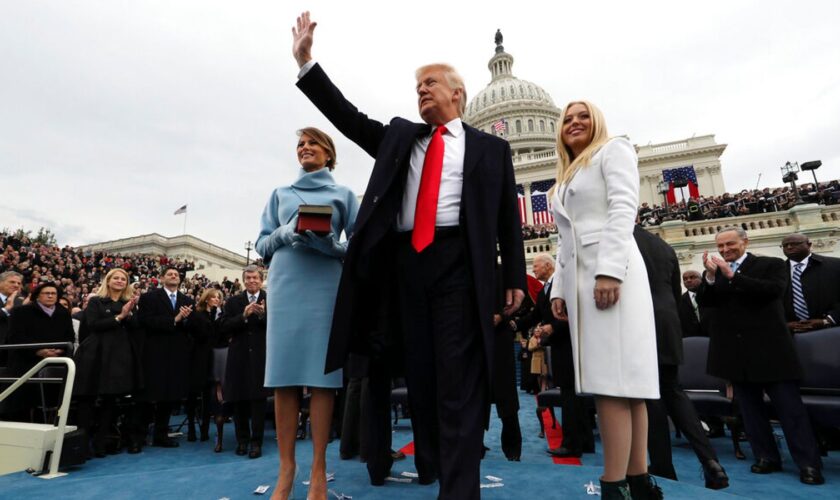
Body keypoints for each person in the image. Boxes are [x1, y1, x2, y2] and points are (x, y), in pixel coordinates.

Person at [291, 13, 526, 500]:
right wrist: (306, 63)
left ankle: (459, 492)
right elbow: (349, 119)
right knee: (420, 379)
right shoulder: (402, 137)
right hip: (402, 270)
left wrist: (516, 278)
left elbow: (508, 219)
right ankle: (426, 461)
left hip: (459, 265)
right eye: (417, 85)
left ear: (457, 94)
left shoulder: (491, 150)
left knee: (458, 383)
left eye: (431, 83)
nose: (421, 90)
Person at [548, 101, 659, 499]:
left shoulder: (614, 150)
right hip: (581, 280)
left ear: (597, 122)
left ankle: (614, 484)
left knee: (615, 381)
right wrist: (558, 289)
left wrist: (610, 270)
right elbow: (564, 242)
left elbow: (623, 208)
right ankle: (639, 480)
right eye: (567, 119)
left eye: (583, 116)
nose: (574, 123)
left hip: (611, 273)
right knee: (622, 381)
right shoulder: (563, 178)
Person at [255, 125, 358, 500]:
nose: (305, 148)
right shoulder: (279, 194)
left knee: (322, 379)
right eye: (300, 144)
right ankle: (286, 468)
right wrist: (285, 234)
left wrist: (329, 244)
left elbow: (358, 248)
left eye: (313, 143)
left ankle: (318, 467)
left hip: (325, 288)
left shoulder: (345, 194)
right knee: (283, 377)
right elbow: (263, 244)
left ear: (328, 153)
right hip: (285, 285)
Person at [697, 227, 824, 485]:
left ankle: (808, 464)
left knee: (791, 411)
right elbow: (707, 303)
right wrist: (710, 278)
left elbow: (772, 291)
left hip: (771, 352)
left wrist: (732, 276)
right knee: (751, 412)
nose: (725, 250)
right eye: (720, 246)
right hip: (736, 354)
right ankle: (766, 456)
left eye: (730, 244)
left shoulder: (771, 264)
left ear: (745, 241)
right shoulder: (714, 272)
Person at [633, 226, 729, 489]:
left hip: (637, 322)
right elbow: (675, 294)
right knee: (674, 392)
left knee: (649, 397)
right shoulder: (663, 246)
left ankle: (663, 467)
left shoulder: (616, 237)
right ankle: (711, 461)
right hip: (667, 324)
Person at [512, 253, 592, 458]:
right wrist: (513, 325)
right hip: (558, 346)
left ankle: (572, 444)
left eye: (536, 266)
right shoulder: (544, 291)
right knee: (571, 394)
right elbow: (535, 316)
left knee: (571, 395)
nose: (534, 269)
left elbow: (573, 313)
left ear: (548, 266)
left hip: (569, 345)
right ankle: (584, 441)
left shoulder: (562, 285)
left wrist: (551, 328)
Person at [74, 268, 142, 456]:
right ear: (108, 280)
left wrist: (129, 314)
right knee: (87, 398)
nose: (120, 281)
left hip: (119, 356)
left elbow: (135, 326)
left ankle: (101, 442)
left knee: (110, 399)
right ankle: (82, 444)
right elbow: (93, 325)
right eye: (116, 278)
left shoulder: (129, 303)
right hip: (95, 354)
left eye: (124, 279)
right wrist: (119, 317)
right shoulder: (96, 301)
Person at [137, 266, 195, 449]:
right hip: (154, 353)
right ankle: (138, 437)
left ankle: (161, 435)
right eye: (169, 274)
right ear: (161, 278)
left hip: (177, 354)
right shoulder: (149, 298)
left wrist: (185, 320)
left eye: (176, 275)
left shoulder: (187, 300)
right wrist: (174, 320)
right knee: (147, 397)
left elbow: (191, 326)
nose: (173, 276)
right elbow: (146, 321)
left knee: (169, 397)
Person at [5, 282, 75, 422]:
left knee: (50, 405)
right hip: (25, 364)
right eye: (46, 293)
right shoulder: (21, 312)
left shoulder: (63, 313)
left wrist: (59, 350)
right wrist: (38, 351)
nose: (50, 296)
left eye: (53, 293)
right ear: (37, 296)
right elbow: (14, 337)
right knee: (23, 406)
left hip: (55, 363)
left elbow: (70, 337)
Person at [220, 266, 270, 458]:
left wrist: (263, 315)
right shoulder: (233, 301)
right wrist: (244, 315)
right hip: (238, 357)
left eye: (255, 277)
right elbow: (224, 326)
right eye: (248, 278)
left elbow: (279, 326)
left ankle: (256, 443)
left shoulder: (270, 299)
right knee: (239, 400)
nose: (251, 281)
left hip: (261, 357)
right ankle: (242, 441)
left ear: (261, 279)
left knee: (258, 401)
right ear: (243, 280)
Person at [780, 232, 840, 333]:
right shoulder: (777, 272)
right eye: (785, 245)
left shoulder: (835, 265)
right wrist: (784, 324)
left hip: (833, 330)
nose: (789, 247)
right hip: (793, 334)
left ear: (809, 244)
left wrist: (828, 320)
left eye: (795, 243)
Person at [187, 287, 223, 444]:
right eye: (214, 297)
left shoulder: (219, 316)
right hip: (198, 358)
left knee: (209, 395)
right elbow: (201, 334)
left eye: (218, 297)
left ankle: (205, 429)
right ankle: (191, 428)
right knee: (194, 394)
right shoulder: (197, 315)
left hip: (213, 358)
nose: (216, 299)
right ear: (206, 298)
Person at [0, 270, 25, 367]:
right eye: (12, 282)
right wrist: (6, 309)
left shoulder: (20, 302)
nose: (16, 285)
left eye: (19, 283)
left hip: (13, 352)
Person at [678, 270, 708, 338]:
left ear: (701, 279)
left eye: (692, 277)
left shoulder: (709, 296)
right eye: (685, 279)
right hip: (691, 340)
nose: (688, 280)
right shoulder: (679, 301)